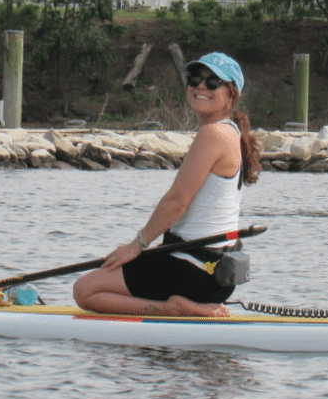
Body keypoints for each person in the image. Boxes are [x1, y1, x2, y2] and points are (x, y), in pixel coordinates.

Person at [72, 51, 261, 317]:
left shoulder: (214, 134)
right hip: (213, 276)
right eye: (195, 79)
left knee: (85, 291)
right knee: (109, 275)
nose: (200, 87)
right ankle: (184, 306)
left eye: (213, 82)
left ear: (231, 94)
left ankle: (171, 308)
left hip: (192, 273)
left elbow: (177, 202)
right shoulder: (230, 132)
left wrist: (138, 244)